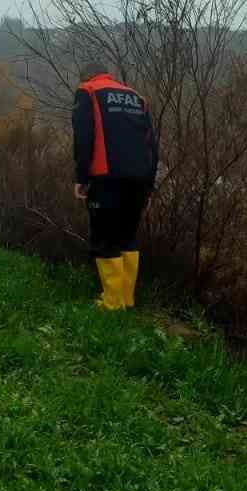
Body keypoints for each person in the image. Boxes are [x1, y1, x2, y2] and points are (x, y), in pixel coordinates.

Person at [72, 60, 158, 310]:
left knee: (105, 238)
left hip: (106, 178)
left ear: (86, 76)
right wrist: (149, 184)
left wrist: (82, 178)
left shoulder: (87, 92)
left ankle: (111, 303)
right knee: (127, 237)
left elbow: (83, 138)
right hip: (140, 179)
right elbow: (152, 145)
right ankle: (126, 300)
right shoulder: (136, 98)